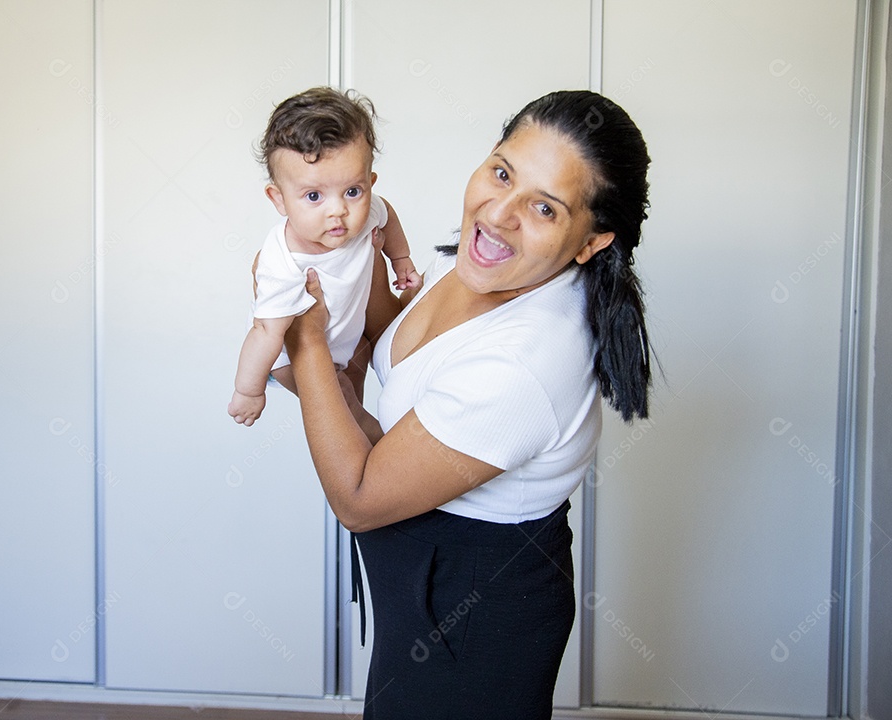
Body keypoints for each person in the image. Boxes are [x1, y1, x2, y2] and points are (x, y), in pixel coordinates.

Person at [283, 90, 652, 719]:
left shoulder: (525, 361)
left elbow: (361, 498)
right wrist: (350, 253)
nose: (498, 214)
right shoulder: (483, 265)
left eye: (543, 207)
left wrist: (302, 335)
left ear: (591, 242)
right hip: (420, 593)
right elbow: (389, 356)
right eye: (502, 173)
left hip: (471, 618)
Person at [228, 87, 421, 427]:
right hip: (289, 355)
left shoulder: (367, 210)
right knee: (346, 413)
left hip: (346, 341)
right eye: (314, 196)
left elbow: (385, 213)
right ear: (279, 199)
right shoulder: (283, 263)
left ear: (369, 183)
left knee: (354, 390)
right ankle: (384, 457)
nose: (338, 211)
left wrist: (400, 258)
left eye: (352, 191)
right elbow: (264, 332)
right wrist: (249, 391)